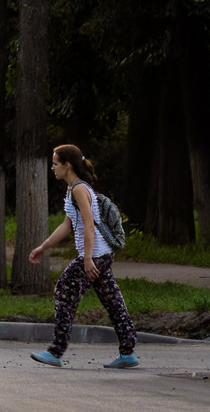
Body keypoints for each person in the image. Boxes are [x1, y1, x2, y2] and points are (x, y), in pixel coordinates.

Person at [28, 144, 139, 369]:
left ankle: (56, 351)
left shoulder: (79, 189)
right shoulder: (72, 190)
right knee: (112, 301)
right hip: (100, 254)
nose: (52, 168)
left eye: (55, 163)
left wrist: (87, 259)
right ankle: (127, 352)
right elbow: (68, 225)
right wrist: (43, 247)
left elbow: (89, 226)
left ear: (67, 165)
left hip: (95, 255)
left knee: (64, 291)